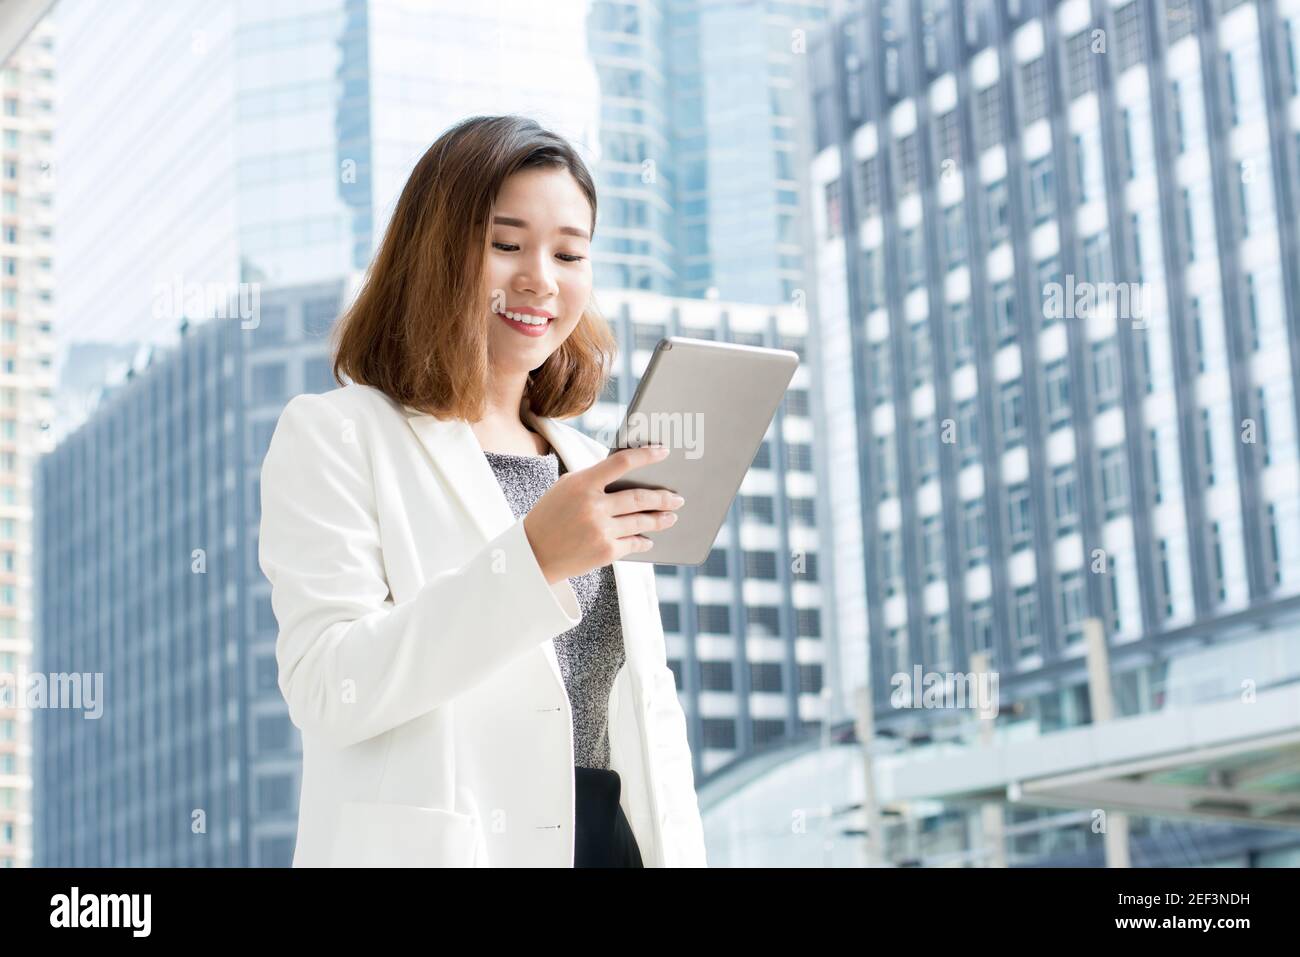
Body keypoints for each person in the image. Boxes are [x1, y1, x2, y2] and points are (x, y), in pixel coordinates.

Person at [257, 114, 707, 867]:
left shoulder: (592, 461)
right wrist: (530, 559)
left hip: (607, 842)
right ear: (434, 253)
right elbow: (328, 686)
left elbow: (648, 711)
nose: (541, 277)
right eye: (506, 244)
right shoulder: (335, 434)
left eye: (570, 252)